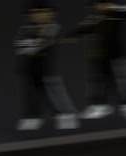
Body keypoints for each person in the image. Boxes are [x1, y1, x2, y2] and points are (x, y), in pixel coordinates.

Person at [15, 4, 79, 132]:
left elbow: (40, 43)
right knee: (31, 95)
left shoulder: (53, 27)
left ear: (51, 14)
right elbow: (20, 45)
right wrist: (32, 45)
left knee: (56, 94)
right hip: (29, 69)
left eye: (44, 12)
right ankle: (32, 118)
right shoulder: (25, 29)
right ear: (30, 15)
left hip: (46, 69)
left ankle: (66, 116)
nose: (40, 15)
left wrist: (33, 45)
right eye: (36, 12)